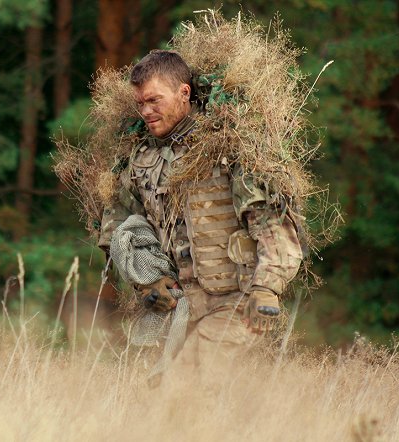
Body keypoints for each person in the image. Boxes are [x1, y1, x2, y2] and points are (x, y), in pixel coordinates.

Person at [97, 50, 304, 378]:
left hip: (235, 302)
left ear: (184, 93)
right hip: (181, 308)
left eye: (154, 100)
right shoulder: (142, 160)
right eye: (140, 104)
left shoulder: (227, 147)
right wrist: (147, 282)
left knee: (189, 389)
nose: (147, 112)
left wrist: (266, 287)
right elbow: (120, 224)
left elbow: (271, 223)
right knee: (164, 395)